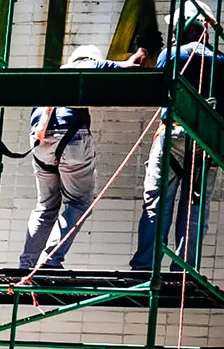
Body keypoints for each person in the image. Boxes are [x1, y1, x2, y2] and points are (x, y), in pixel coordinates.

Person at [129, 0, 224, 271]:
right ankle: (183, 269)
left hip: (173, 136)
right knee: (195, 209)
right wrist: (216, 139)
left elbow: (159, 96)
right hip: (207, 142)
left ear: (189, 28)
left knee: (157, 202)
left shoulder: (171, 55)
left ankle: (145, 266)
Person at [19, 44, 148, 269]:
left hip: (39, 141)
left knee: (46, 205)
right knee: (79, 202)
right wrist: (142, 51)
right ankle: (50, 260)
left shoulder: (52, 76)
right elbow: (131, 67)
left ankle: (27, 264)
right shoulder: (88, 65)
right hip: (70, 137)